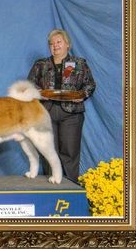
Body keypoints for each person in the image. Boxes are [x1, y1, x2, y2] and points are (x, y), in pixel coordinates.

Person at [27, 29, 96, 183]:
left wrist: (82, 95)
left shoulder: (79, 63)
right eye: (51, 43)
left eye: (58, 42)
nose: (55, 45)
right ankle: (52, 189)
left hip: (71, 113)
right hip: (46, 113)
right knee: (49, 152)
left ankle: (70, 187)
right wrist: (39, 92)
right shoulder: (41, 64)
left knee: (70, 152)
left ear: (67, 44)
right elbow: (29, 84)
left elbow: (90, 85)